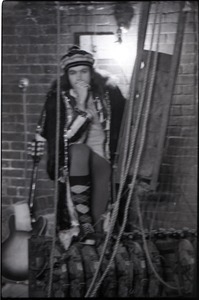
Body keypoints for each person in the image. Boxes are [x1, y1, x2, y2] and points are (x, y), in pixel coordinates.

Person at [35, 46, 125, 250]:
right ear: (67, 75)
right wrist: (82, 104)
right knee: (79, 150)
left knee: (102, 216)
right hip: (73, 165)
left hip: (103, 160)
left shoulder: (107, 95)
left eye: (83, 71)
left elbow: (127, 121)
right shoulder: (59, 99)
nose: (79, 77)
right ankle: (85, 227)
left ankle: (93, 229)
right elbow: (68, 139)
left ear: (91, 73)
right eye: (73, 73)